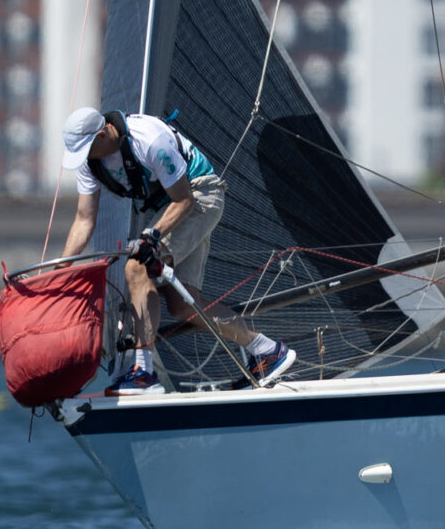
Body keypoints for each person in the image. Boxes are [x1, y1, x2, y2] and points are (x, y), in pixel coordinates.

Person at [58, 107, 297, 393]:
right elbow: (84, 220)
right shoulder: (90, 162)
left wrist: (151, 237)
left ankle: (144, 373)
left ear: (103, 133)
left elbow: (184, 200)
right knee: (182, 304)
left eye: (87, 149)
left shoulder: (149, 139)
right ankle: (267, 349)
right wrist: (60, 269)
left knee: (136, 268)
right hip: (169, 209)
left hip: (200, 196)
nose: (85, 157)